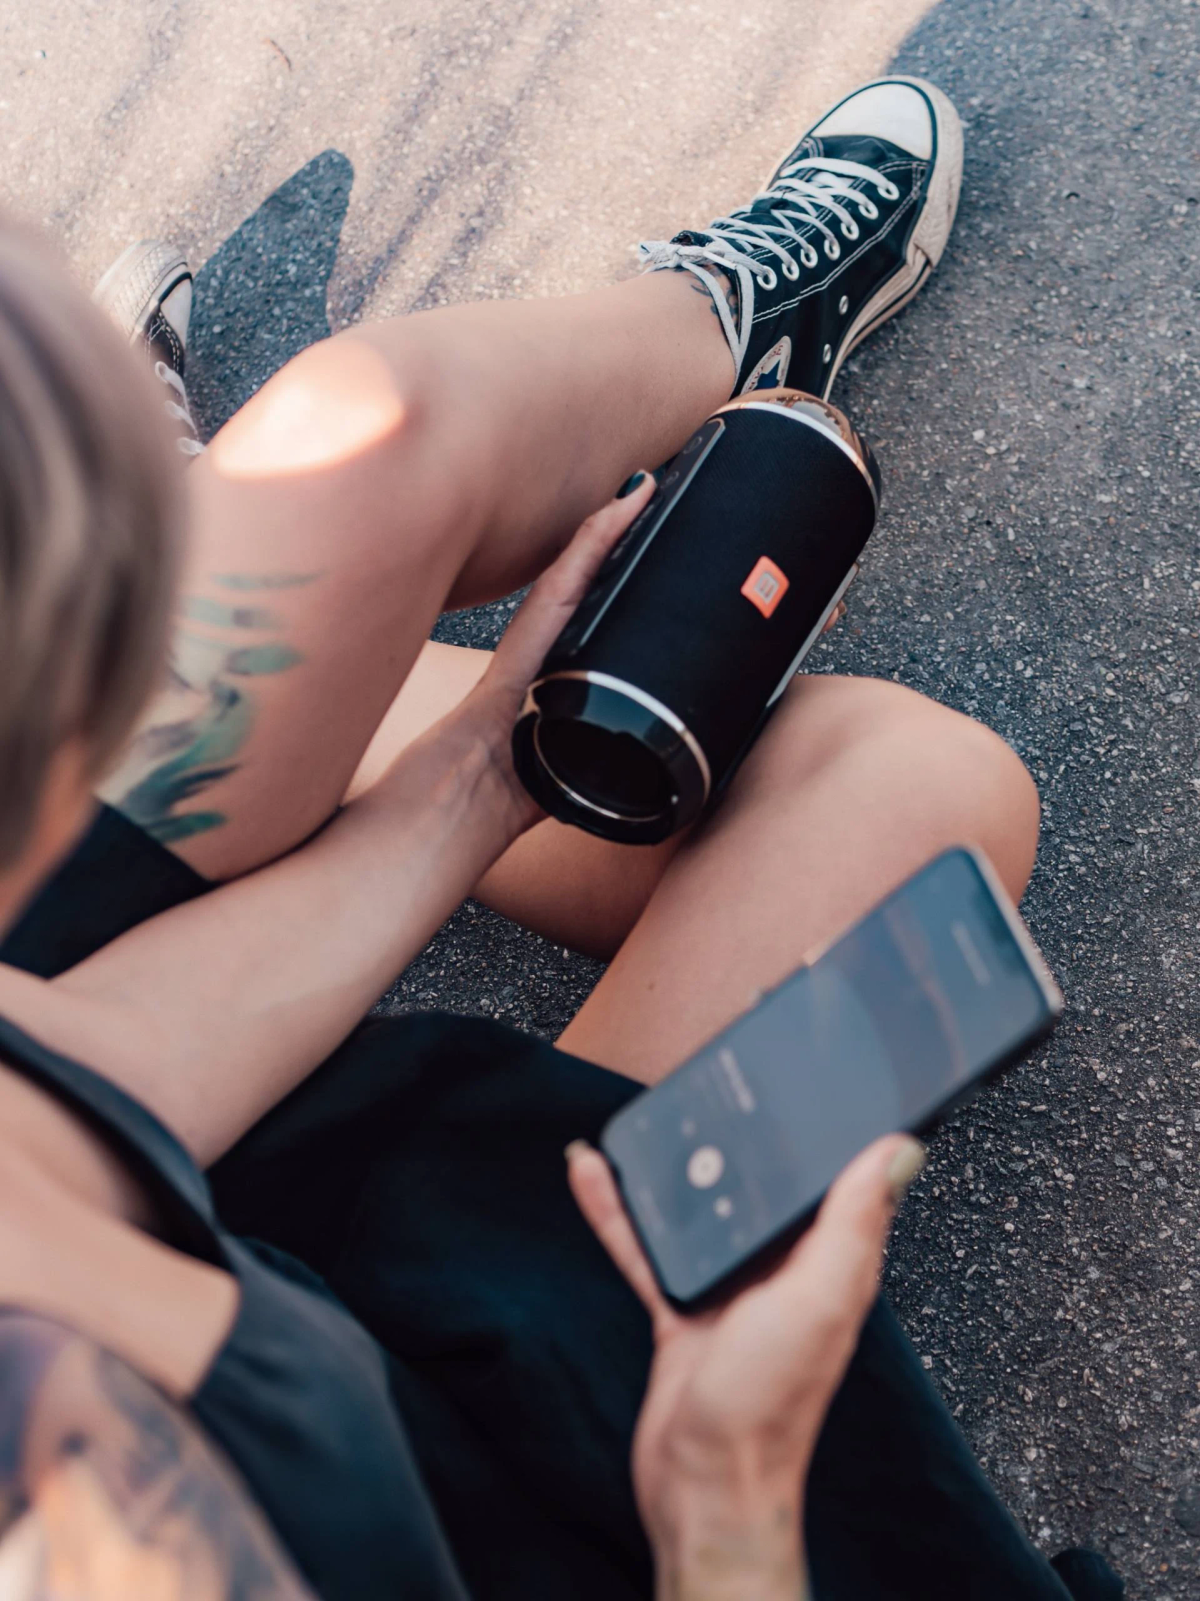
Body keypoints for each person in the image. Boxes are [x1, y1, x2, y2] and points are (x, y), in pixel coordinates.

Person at [0, 76, 1121, 1599]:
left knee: (363, 432)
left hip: (277, 1221)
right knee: (929, 798)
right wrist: (724, 1504)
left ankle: (725, 325)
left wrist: (483, 776)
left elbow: (90, 1073)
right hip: (600, 1493)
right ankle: (201, 598)